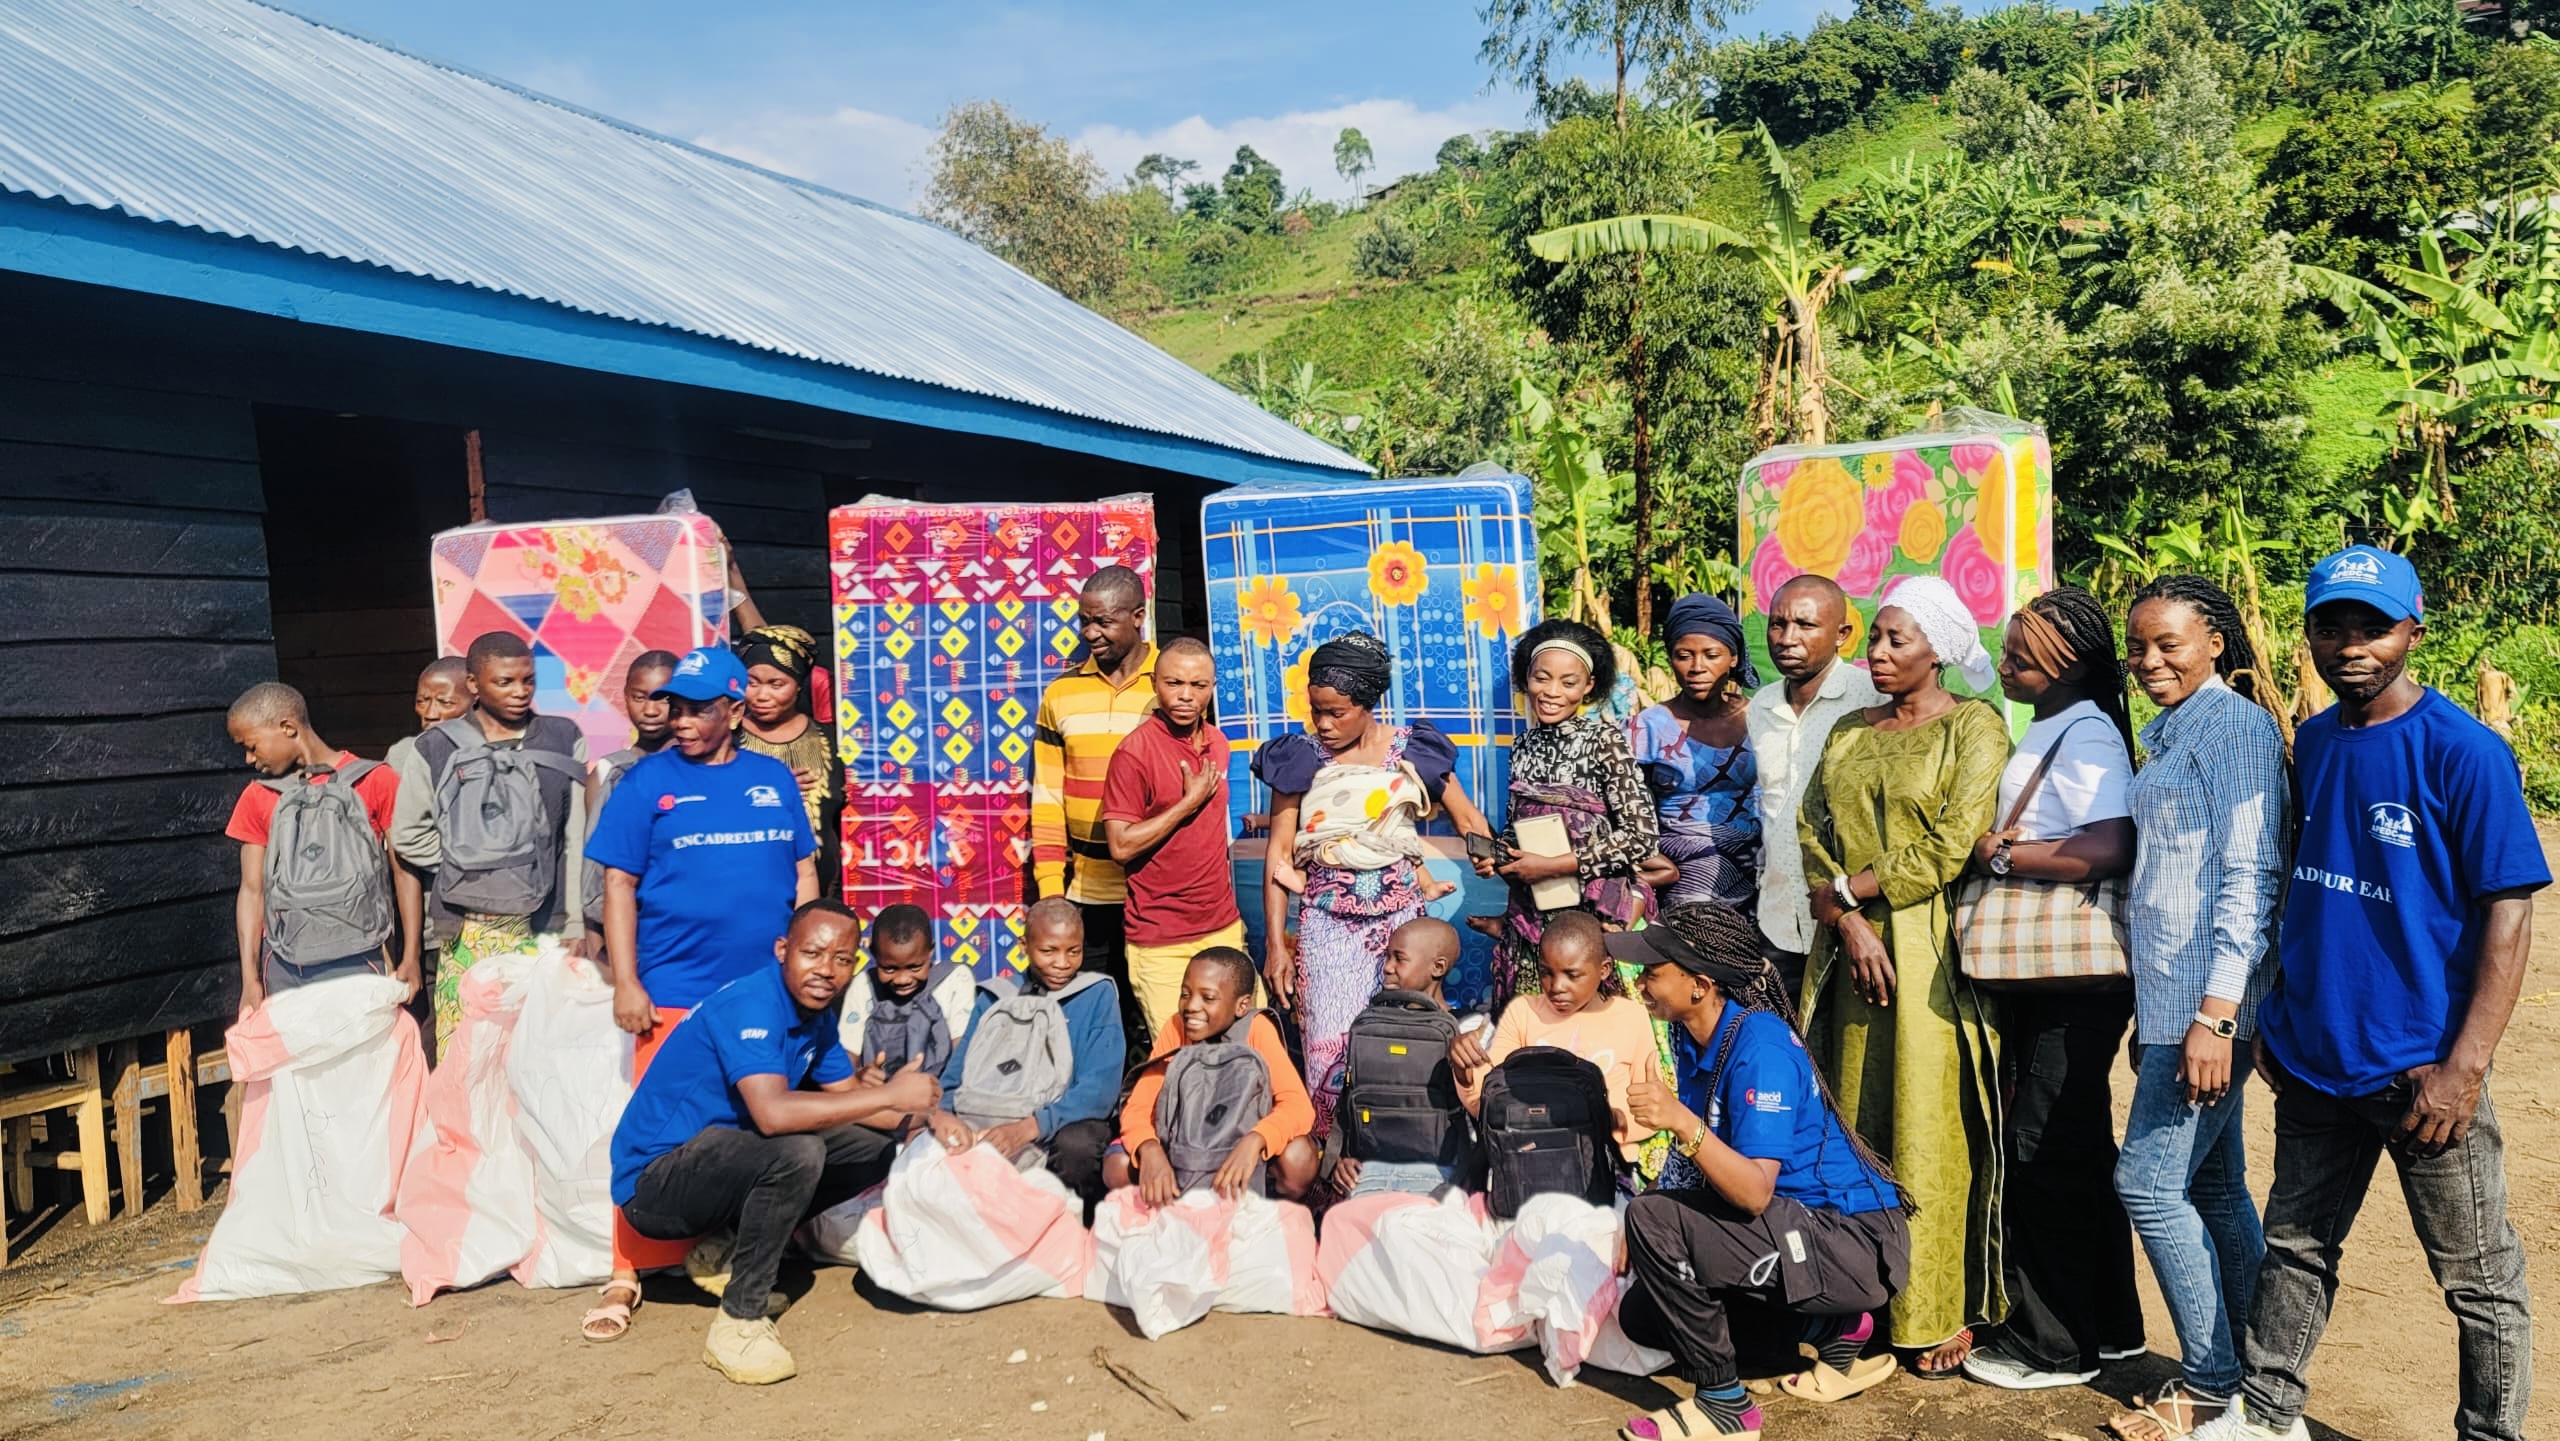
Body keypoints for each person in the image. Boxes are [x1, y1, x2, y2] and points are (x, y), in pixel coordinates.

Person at [2197, 548, 2546, 1441]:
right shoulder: (2310, 744)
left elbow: (2509, 917)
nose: (2350, 644)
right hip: (2316, 1056)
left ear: (2412, 632)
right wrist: (2275, 1011)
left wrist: (2463, 1069)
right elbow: (2298, 890)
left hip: (2421, 1070)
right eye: (2332, 624)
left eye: (2373, 625)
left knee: (2477, 1279)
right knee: (2296, 1249)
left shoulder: (2464, 752)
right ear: (2309, 632)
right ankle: (2268, 1415)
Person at [1797, 573, 2010, 1378]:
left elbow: (1954, 842)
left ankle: (1929, 1309)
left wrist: (1855, 890)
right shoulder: (1849, 730)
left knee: (1928, 1127)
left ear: (1941, 652)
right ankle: (1851, 1299)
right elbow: (1810, 829)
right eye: (1877, 638)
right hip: (1847, 948)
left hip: (1930, 954)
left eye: (1898, 639)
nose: (1878, 654)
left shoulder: (1975, 729)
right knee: (1850, 1122)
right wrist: (1847, 916)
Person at [579, 645, 818, 1343]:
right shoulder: (645, 783)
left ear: (735, 710)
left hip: (767, 998)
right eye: (671, 706)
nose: (676, 718)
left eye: (695, 707)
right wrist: (627, 980)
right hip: (675, 994)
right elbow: (616, 884)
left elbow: (803, 872)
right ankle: (627, 1270)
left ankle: (732, 1251)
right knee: (659, 1140)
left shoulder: (773, 780)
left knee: (756, 1128)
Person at [1609, 902, 1913, 1441]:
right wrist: (1651, 1210)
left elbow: (1752, 1192)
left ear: (1699, 985)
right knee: (1644, 1315)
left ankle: (1726, 1406)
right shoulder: (1693, 1033)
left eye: (1653, 973)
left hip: (1851, 1242)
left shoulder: (1760, 1048)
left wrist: (1678, 1124)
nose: (1640, 983)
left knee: (1655, 1221)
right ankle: (1833, 1330)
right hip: (1796, 1233)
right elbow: (1706, 1159)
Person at [609, 899, 941, 1384]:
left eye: (843, 959)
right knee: (798, 1149)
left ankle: (724, 1251)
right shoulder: (751, 1004)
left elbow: (850, 1099)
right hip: (655, 1185)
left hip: (722, 1161)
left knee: (872, 1145)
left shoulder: (817, 1014)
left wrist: (928, 1116)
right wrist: (892, 1093)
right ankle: (739, 1324)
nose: (827, 971)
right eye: (813, 954)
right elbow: (773, 1114)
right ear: (783, 950)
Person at [2106, 575, 2291, 1441]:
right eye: (2139, 645)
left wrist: (2216, 1018)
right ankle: (2264, 1367)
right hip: (2175, 1003)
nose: (2149, 661)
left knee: (2146, 1183)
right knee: (2215, 1187)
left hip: (2204, 1011)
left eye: (2168, 644)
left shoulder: (2237, 728)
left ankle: (2214, 1377)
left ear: (2215, 641)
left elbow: (2251, 879)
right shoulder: (2175, 729)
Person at [1959, 587, 2146, 1391]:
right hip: (2057, 976)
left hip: (2070, 977)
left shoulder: (2088, 730)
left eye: (2020, 649)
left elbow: (2108, 844)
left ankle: (2052, 1345)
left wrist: (1998, 855)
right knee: (2076, 1140)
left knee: (2042, 1146)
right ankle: (2113, 1326)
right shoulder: (2059, 725)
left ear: (2067, 657)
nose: (2005, 662)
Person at [1257, 631, 1491, 1137]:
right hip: (1326, 932)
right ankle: (1334, 1173)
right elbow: (1278, 855)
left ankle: (1406, 1155)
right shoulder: (1300, 758)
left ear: (1367, 704)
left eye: (1336, 712)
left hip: (1402, 932)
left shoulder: (1413, 751)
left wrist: (1485, 853)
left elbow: (1469, 818)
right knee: (1328, 1050)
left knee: (1403, 1046)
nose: (1323, 724)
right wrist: (1276, 946)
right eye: (1316, 710)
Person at [391, 630, 590, 1053]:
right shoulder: (433, 748)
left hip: (548, 926)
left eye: (528, 680)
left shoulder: (563, 737)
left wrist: (577, 923)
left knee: (543, 1057)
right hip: (466, 931)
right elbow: (407, 835)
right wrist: (466, 864)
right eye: (505, 682)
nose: (520, 692)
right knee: (471, 1059)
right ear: (474, 685)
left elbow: (576, 837)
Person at [1481, 617, 1660, 1004]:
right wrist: (1500, 857)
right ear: (1526, 677)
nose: (1551, 692)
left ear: (1589, 686)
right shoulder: (1523, 746)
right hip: (1535, 919)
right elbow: (1518, 828)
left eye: (1568, 682)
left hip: (1597, 919)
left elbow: (1641, 838)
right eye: (1541, 678)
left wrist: (1556, 864)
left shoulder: (1604, 741)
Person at [225, 682, 417, 1012]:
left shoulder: (375, 780)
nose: (249, 758)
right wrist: (250, 980)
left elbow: (404, 871)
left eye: (252, 746)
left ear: (287, 727)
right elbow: (251, 891)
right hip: (288, 964)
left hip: (362, 958)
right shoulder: (257, 796)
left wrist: (411, 956)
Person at [1031, 565, 1159, 1050]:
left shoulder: (1171, 686)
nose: (1090, 633)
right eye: (1084, 621)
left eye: (1103, 622)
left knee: (1149, 1018)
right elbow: (1046, 795)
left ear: (1140, 617)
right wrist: (1050, 890)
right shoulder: (1060, 694)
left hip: (1152, 890)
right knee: (1086, 1022)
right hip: (1084, 891)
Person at [1747, 574, 1882, 1004]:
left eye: (1806, 626)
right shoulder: (1761, 706)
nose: (1788, 638)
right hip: (1778, 917)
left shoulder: (1870, 699)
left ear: (1841, 634)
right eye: (1778, 624)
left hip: (1852, 916)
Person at [1451, 911, 1660, 1181]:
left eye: (1573, 975)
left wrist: (1604, 1121)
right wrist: (1462, 1071)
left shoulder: (1631, 1016)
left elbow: (1651, 1113)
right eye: (1546, 973)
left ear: (1604, 969)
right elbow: (1486, 1103)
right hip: (1529, 1160)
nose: (1556, 987)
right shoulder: (1523, 1012)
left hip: (1607, 1167)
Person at [1102, 636, 1240, 1039]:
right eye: (1174, 683)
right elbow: (1121, 845)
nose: (1185, 696)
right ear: (1155, 684)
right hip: (1160, 937)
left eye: (1198, 686)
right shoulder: (1134, 753)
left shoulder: (1218, 743)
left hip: (1221, 925)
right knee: (1179, 1055)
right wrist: (1187, 803)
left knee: (1244, 1044)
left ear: (1212, 689)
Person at [950, 897, 1125, 1214]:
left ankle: (1075, 1227)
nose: (1062, 963)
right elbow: (956, 1075)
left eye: (1074, 951)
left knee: (1078, 1147)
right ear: (1024, 946)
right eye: (1048, 951)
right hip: (989, 1119)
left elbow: (1099, 1091)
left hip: (1060, 1122)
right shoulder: (994, 997)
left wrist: (1032, 1126)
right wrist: (947, 1120)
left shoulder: (1096, 994)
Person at [1106, 946, 1321, 1203]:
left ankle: (1269, 1217)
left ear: (1242, 1005)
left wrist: (1256, 1140)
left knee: (1298, 1158)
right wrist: (1149, 1149)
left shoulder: (1256, 1028)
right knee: (1117, 1165)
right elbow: (1138, 1107)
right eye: (1185, 994)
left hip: (1239, 1147)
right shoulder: (1176, 1027)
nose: (1191, 1006)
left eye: (1208, 998)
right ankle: (1160, 1220)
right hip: (1185, 1150)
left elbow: (1298, 1107)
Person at [1629, 593, 1763, 914]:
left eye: (1711, 654)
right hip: (1680, 880)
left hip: (1758, 877)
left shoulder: (1762, 718)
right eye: (1684, 655)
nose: (1697, 667)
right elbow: (1628, 810)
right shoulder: (1648, 728)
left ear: (1733, 658)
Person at [1330, 916, 1477, 1199]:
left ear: (1438, 967)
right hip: (1368, 1165)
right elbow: (1352, 1098)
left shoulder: (1470, 1027)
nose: (1387, 967)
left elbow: (1479, 1114)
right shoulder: (1370, 1025)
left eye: (1399, 958)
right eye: (1387, 956)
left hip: (1441, 1168)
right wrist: (1343, 1156)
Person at [388, 656, 470, 1051]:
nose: (431, 714)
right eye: (423, 701)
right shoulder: (406, 756)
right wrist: (411, 950)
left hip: (503, 927)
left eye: (444, 702)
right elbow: (400, 856)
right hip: (439, 928)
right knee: (444, 1037)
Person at [839, 903, 988, 1100]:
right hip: (878, 1100)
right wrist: (857, 1080)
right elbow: (846, 1056)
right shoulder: (864, 985)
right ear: (873, 954)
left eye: (915, 967)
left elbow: (963, 1052)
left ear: (930, 952)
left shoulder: (955, 980)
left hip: (938, 1096)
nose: (903, 979)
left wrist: (945, 1102)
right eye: (889, 969)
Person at [736, 625, 841, 902]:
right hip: (746, 895)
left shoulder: (830, 741)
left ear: (798, 686)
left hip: (823, 900)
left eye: (776, 684)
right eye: (752, 682)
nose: (761, 695)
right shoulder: (726, 740)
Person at [581, 649, 679, 936]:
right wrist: (594, 941)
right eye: (639, 697)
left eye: (664, 699)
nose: (650, 710)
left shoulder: (700, 766)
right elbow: (593, 867)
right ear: (625, 696)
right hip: (628, 923)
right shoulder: (608, 772)